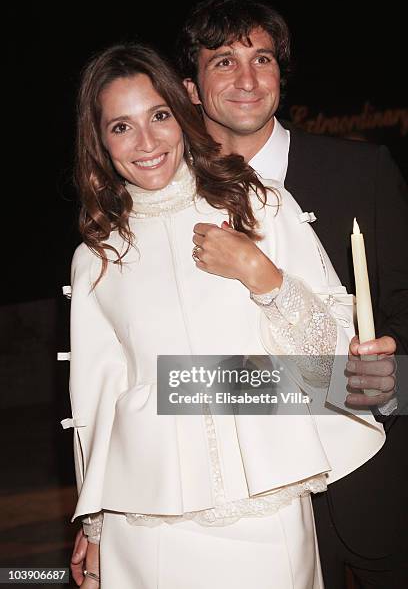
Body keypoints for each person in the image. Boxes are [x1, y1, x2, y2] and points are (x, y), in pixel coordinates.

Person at [64, 41, 388, 588]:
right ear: (99, 140)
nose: (146, 142)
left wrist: (264, 277)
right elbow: (96, 402)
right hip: (149, 520)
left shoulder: (258, 201)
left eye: (159, 116)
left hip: (268, 499)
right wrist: (95, 524)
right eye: (121, 127)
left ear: (181, 112)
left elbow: (329, 355)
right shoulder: (98, 253)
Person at [174, 0, 408, 589]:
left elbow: (404, 310)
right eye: (223, 60)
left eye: (263, 58)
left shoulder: (362, 171)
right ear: (192, 89)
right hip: (249, 505)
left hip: (374, 481)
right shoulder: (168, 200)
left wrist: (391, 371)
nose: (248, 78)